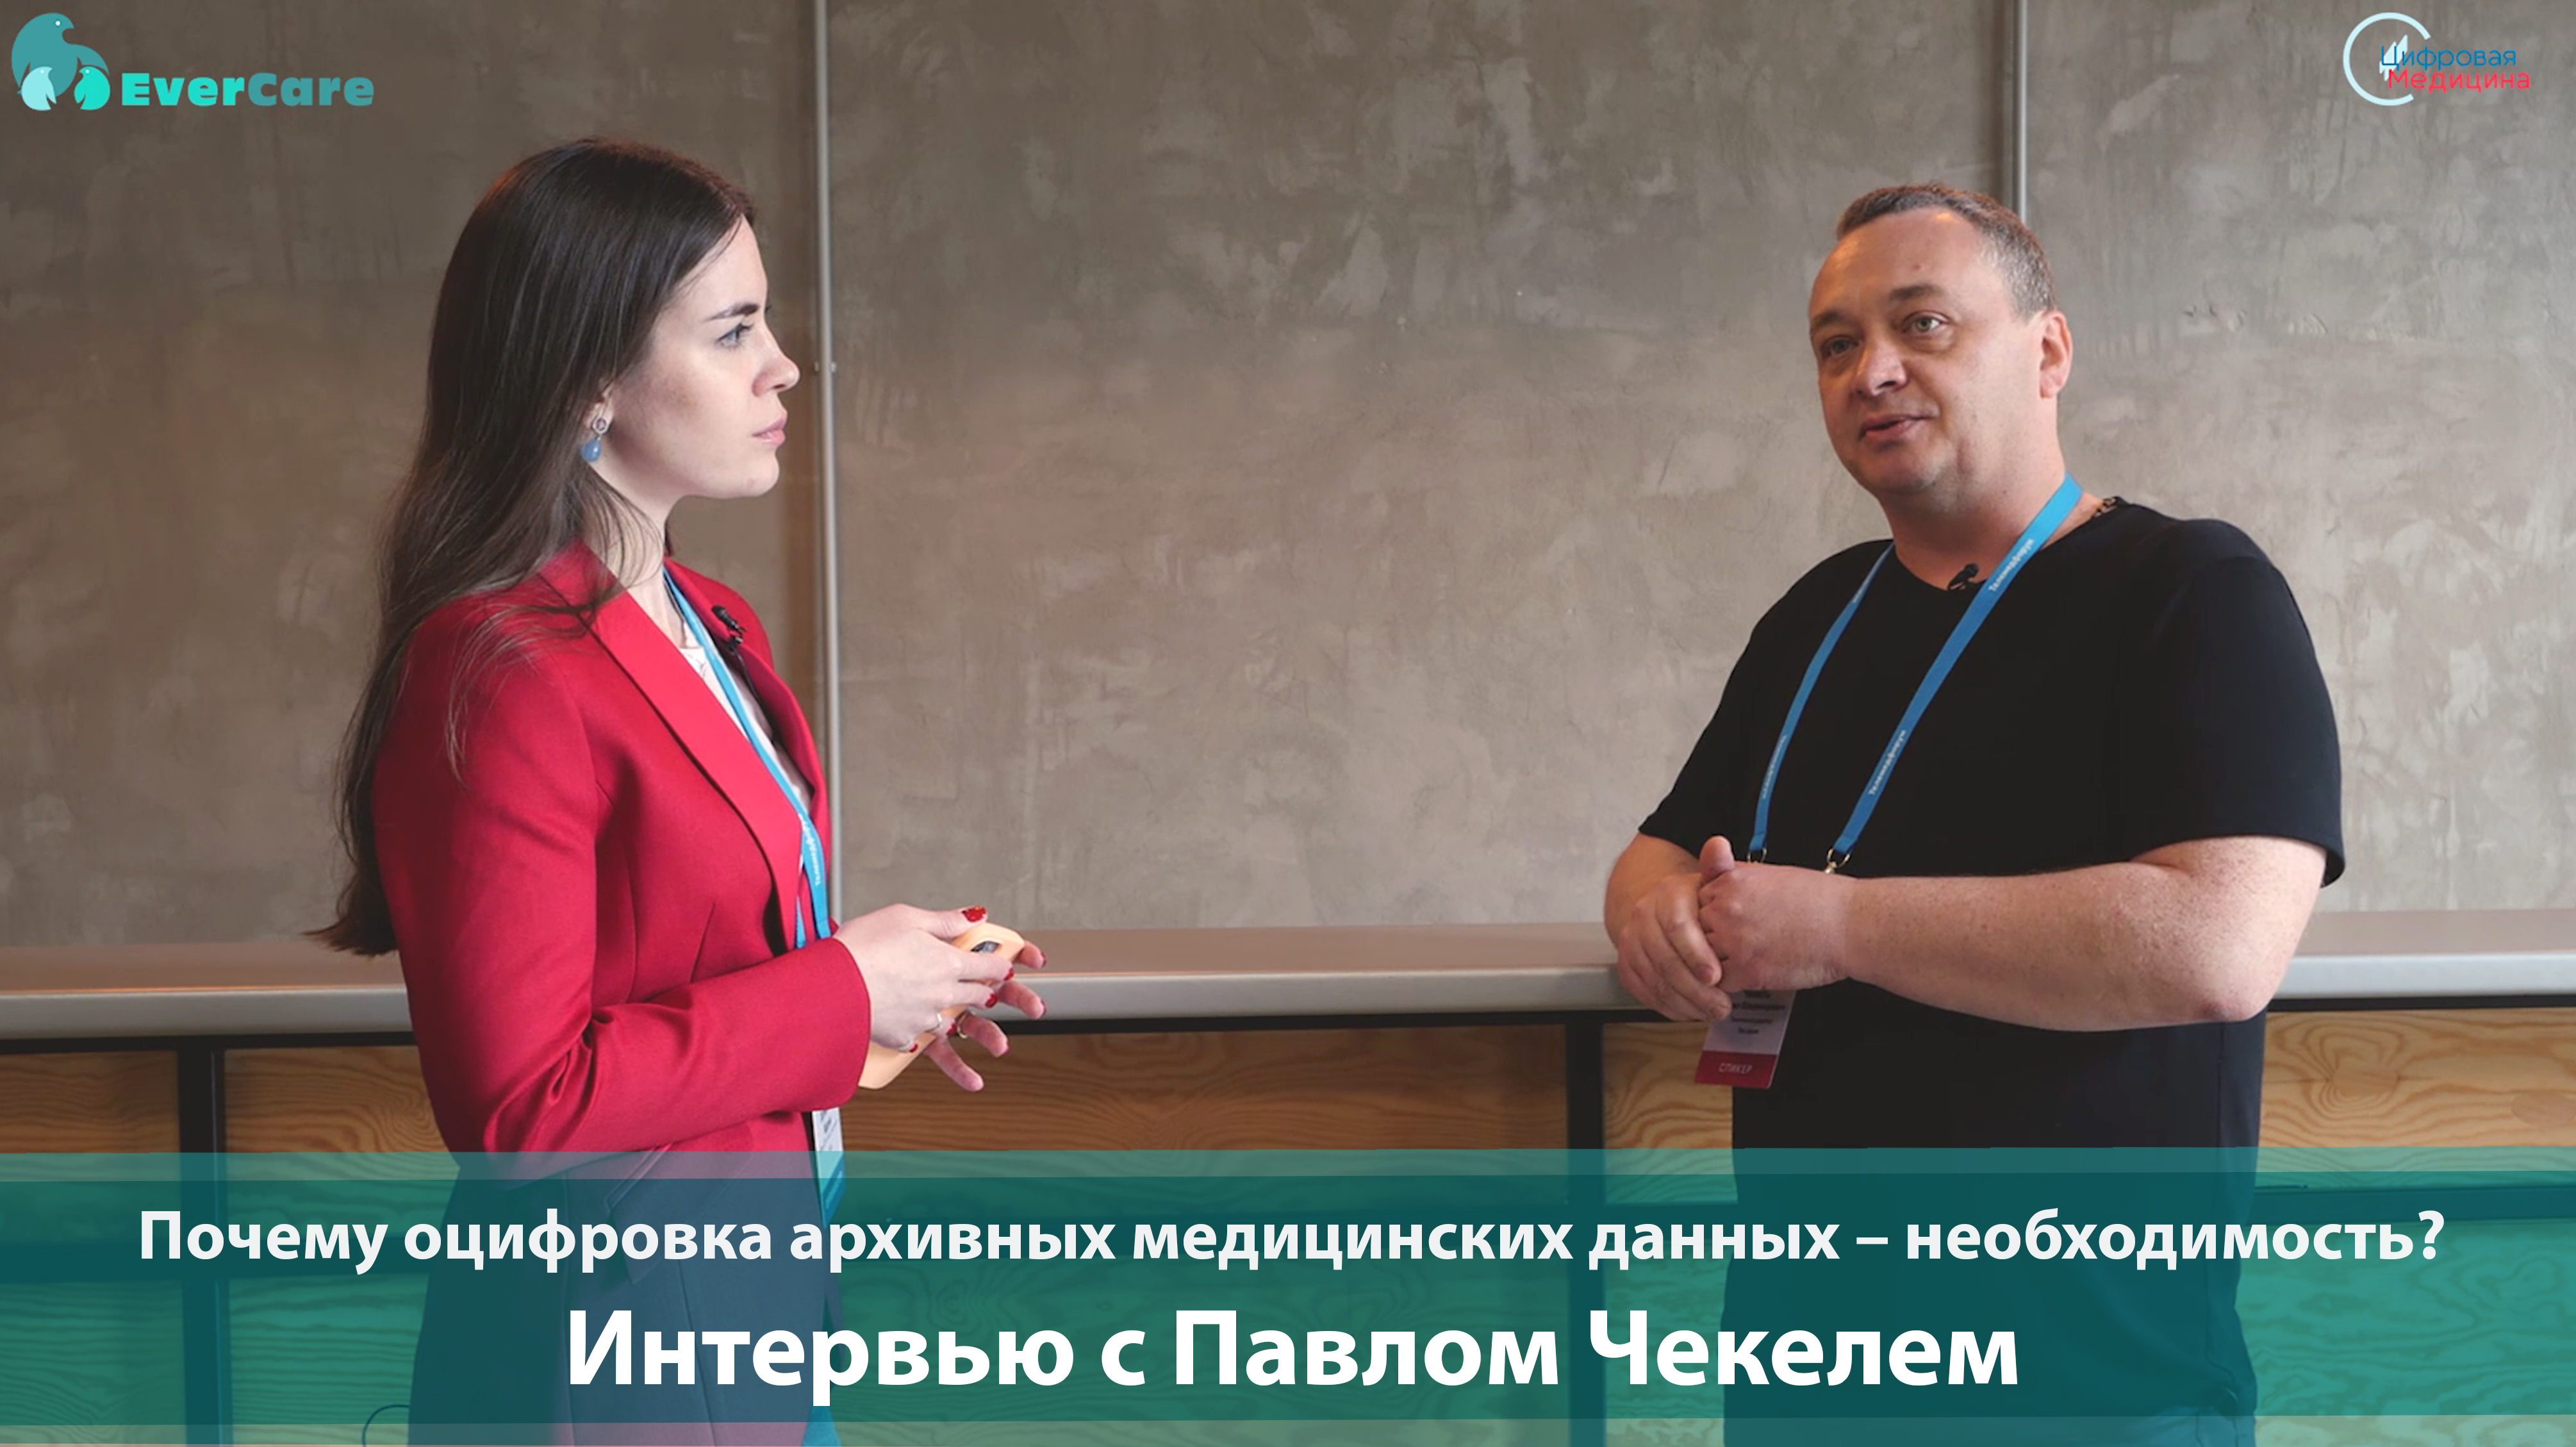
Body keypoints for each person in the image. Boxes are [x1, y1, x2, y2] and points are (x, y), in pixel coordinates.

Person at [319, 138, 1044, 1443]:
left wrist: (896, 993)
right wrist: (842, 990)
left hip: (760, 1318)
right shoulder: (498, 668)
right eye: (733, 331)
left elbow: (701, 956)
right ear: (588, 380)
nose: (784, 367)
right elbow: (526, 1110)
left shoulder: (712, 620)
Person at [1602, 183, 2343, 1441]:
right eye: (1837, 343)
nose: (1873, 370)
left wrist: (1840, 927)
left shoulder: (2193, 590)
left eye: (1923, 324)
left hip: (2095, 1388)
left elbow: (2220, 947)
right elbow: (1659, 849)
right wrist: (1656, 912)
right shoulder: (1819, 614)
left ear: (2049, 352)